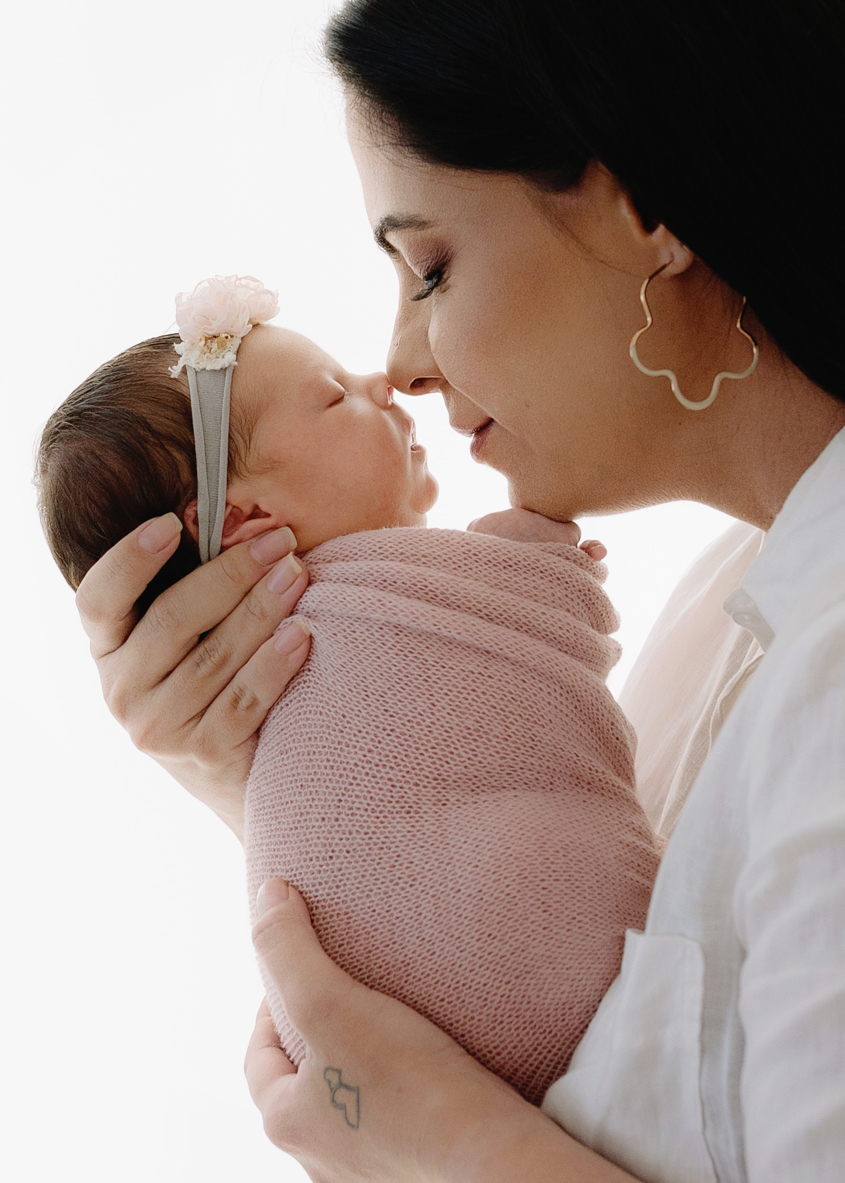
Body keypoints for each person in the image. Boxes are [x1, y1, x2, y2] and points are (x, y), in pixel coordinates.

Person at [71, 0, 845, 1179]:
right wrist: (264, 768)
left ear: (639, 209)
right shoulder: (715, 623)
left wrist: (440, 1141)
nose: (402, 364)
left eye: (428, 265)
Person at [37, 275, 658, 1105]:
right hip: (519, 1010)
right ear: (247, 522)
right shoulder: (348, 614)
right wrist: (542, 551)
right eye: (334, 398)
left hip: (422, 1079)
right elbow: (543, 598)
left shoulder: (342, 631)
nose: (386, 381)